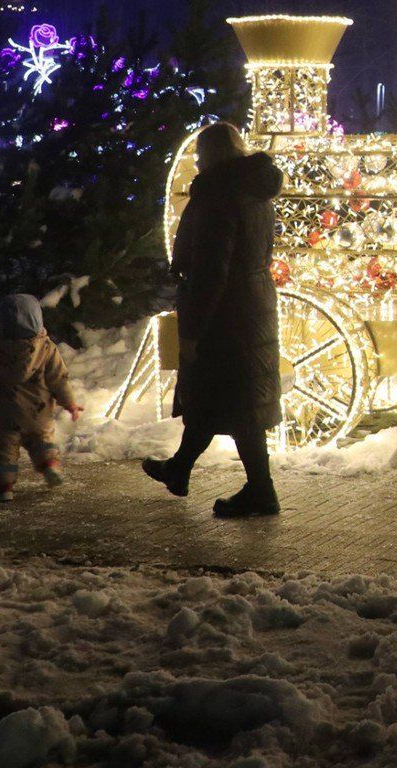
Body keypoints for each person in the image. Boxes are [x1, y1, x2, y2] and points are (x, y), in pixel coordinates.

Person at [142, 122, 286, 518]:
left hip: (225, 315)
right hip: (252, 304)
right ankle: (180, 469)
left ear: (210, 156)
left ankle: (261, 491)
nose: (197, 162)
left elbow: (211, 269)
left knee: (233, 403)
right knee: (222, 398)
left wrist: (192, 331)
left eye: (200, 155)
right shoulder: (255, 191)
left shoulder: (218, 197)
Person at [0, 294, 81, 502]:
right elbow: (59, 379)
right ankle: (49, 465)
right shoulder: (47, 348)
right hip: (38, 413)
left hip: (5, 415)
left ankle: (3, 487)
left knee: (3, 451)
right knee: (41, 440)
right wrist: (70, 403)